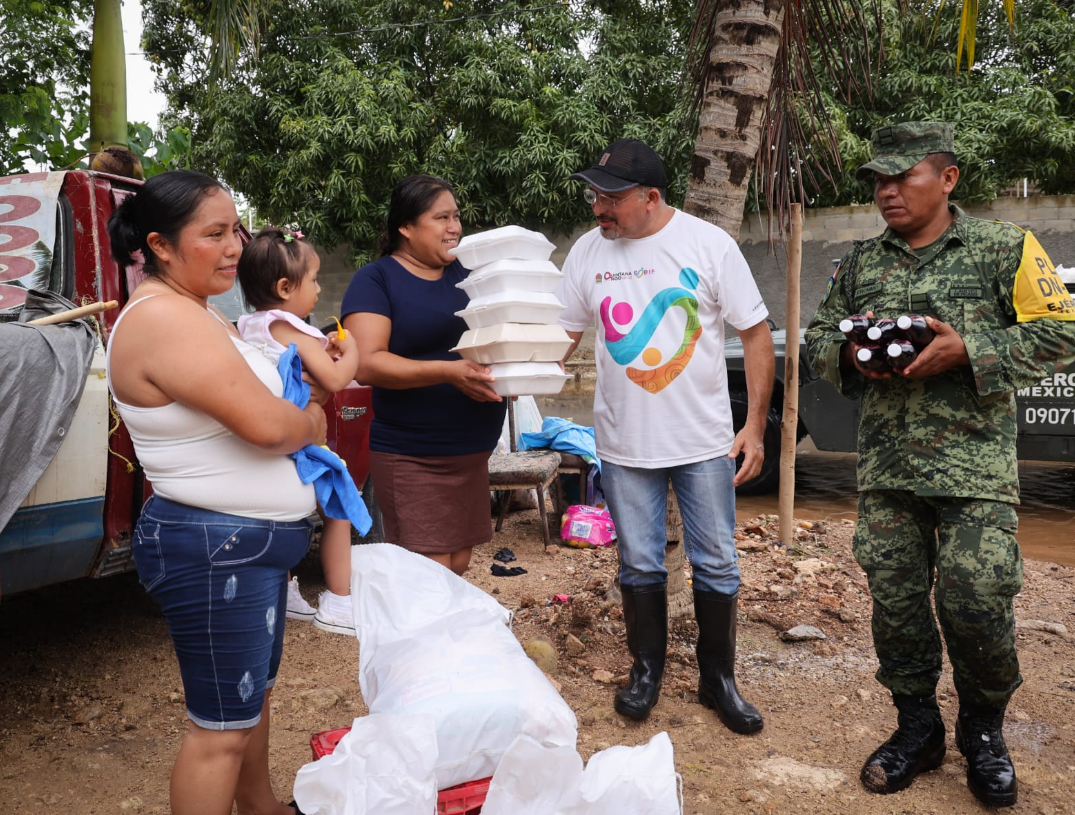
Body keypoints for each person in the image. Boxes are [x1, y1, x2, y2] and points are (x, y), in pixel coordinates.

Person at [805, 121, 1075, 808]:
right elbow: (815, 334)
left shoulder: (1002, 247)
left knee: (976, 599)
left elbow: (1061, 331)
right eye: (877, 180)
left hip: (973, 470)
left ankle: (982, 727)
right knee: (895, 607)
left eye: (903, 176)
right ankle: (916, 727)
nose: (886, 191)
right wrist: (848, 354)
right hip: (888, 469)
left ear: (947, 177)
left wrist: (970, 350)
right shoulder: (860, 261)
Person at [106, 170, 327, 815]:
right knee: (219, 732)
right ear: (162, 245)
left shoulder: (201, 313)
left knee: (247, 701)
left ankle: (261, 809)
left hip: (239, 546)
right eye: (214, 234)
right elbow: (267, 424)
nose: (235, 246)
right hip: (214, 549)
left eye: (236, 230)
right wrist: (310, 423)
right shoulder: (164, 320)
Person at [556, 138, 775, 732]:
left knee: (718, 566)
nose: (599, 208)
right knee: (639, 565)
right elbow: (564, 337)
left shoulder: (708, 244)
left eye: (612, 198)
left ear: (651, 198)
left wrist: (754, 426)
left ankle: (718, 681)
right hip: (624, 445)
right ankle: (646, 672)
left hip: (704, 443)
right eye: (595, 194)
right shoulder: (586, 252)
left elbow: (756, 333)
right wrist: (511, 370)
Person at [340, 175, 507, 576]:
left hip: (470, 451)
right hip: (413, 453)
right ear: (406, 227)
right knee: (431, 571)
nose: (455, 228)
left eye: (457, 216)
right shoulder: (376, 280)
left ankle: (445, 639)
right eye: (442, 218)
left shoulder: (471, 275)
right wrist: (447, 373)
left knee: (459, 563)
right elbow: (366, 364)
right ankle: (426, 640)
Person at [237, 226, 361, 635]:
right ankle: (339, 601)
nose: (319, 288)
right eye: (314, 280)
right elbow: (336, 379)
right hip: (300, 441)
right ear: (286, 286)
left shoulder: (249, 325)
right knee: (338, 509)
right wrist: (352, 353)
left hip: (262, 443)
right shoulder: (293, 328)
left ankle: (285, 589)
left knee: (286, 518)